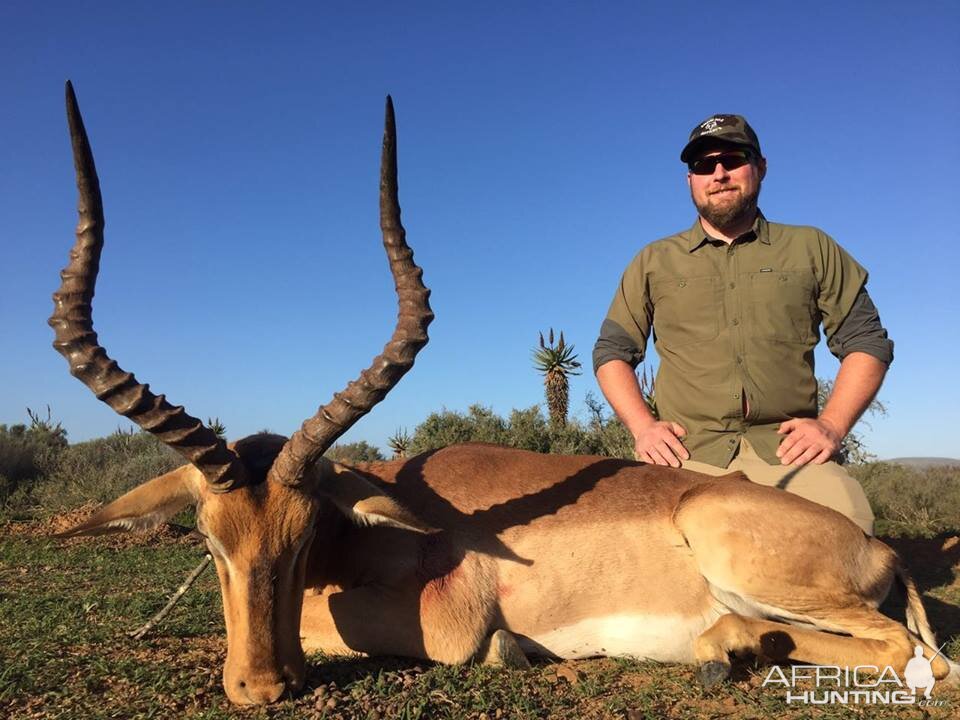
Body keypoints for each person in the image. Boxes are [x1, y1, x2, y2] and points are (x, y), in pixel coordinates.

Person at [593, 114, 892, 534]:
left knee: (848, 540)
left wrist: (831, 425)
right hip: (687, 455)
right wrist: (643, 428)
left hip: (790, 454)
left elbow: (867, 342)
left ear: (760, 167)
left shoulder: (812, 247)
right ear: (690, 180)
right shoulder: (653, 261)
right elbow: (611, 352)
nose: (718, 173)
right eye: (703, 165)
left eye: (732, 159)